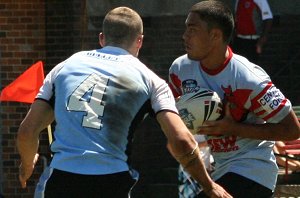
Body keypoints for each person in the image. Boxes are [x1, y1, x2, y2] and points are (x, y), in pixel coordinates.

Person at [17, 6, 232, 198]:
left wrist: (27, 165)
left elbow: (27, 131)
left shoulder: (64, 67)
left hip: (62, 179)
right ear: (139, 41)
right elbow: (182, 142)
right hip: (111, 181)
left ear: (102, 38)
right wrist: (209, 185)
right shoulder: (151, 80)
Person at [168, 1, 300, 197]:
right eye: (186, 28)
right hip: (219, 169)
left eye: (193, 29)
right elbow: (173, 118)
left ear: (215, 36)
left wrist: (234, 128)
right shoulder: (180, 71)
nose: (185, 36)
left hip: (254, 171)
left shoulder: (249, 79)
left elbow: (292, 129)